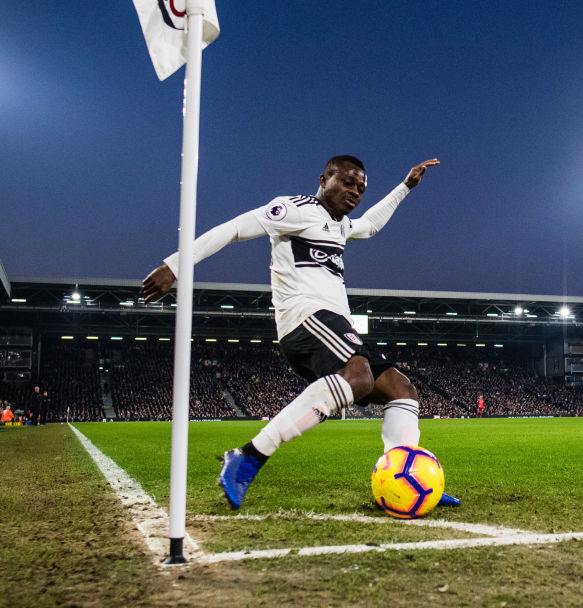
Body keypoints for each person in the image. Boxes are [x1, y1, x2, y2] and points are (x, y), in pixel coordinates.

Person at [142, 154, 459, 510]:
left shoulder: (339, 226)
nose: (355, 192)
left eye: (361, 188)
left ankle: (407, 478)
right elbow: (234, 228)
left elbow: (369, 225)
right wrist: (175, 265)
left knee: (402, 390)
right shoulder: (293, 209)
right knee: (359, 377)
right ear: (324, 179)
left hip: (334, 323)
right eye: (347, 182)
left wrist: (405, 187)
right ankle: (248, 456)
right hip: (304, 318)